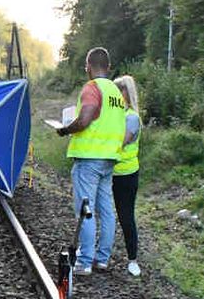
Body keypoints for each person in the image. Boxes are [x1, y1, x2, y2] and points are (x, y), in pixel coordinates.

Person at [56, 47, 125, 277]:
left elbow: (85, 118)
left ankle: (85, 261)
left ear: (88, 66)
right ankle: (102, 259)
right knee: (106, 210)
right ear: (109, 66)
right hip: (110, 158)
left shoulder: (92, 87)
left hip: (89, 159)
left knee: (85, 210)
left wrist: (66, 129)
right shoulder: (115, 91)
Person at [110, 75, 141, 277]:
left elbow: (121, 143)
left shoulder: (131, 118)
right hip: (109, 172)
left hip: (126, 174)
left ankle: (132, 260)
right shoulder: (115, 116)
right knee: (103, 213)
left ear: (126, 95)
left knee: (125, 216)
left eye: (116, 93)